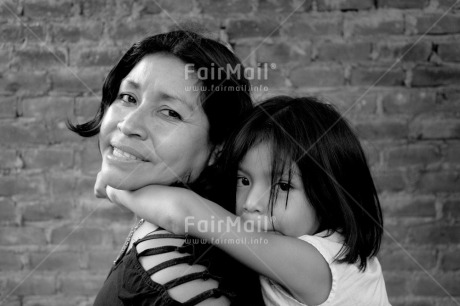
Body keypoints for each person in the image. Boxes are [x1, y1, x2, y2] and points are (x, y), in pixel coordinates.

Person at [103, 96, 392, 305]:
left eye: (282, 185)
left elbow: (183, 212)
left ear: (330, 194)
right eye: (244, 180)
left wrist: (115, 188)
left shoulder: (318, 266)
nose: (252, 202)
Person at [68, 30, 264, 305]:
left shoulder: (177, 274)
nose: (129, 125)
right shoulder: (161, 225)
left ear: (218, 147)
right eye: (128, 97)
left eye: (170, 112)